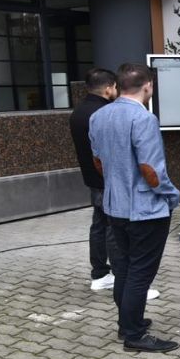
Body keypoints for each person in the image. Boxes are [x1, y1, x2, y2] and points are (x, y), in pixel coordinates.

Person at [89, 63, 180, 353]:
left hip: (114, 205)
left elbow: (98, 162)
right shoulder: (144, 119)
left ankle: (128, 324)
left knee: (125, 268)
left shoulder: (98, 116)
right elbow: (150, 169)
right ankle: (134, 335)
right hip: (145, 209)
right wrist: (171, 195)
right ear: (148, 86)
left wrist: (116, 184)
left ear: (118, 86)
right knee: (140, 272)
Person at [69, 68, 122, 292]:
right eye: (116, 87)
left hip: (92, 179)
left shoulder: (78, 111)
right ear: (109, 88)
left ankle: (100, 274)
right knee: (114, 229)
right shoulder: (104, 114)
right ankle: (121, 278)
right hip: (108, 179)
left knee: (99, 226)